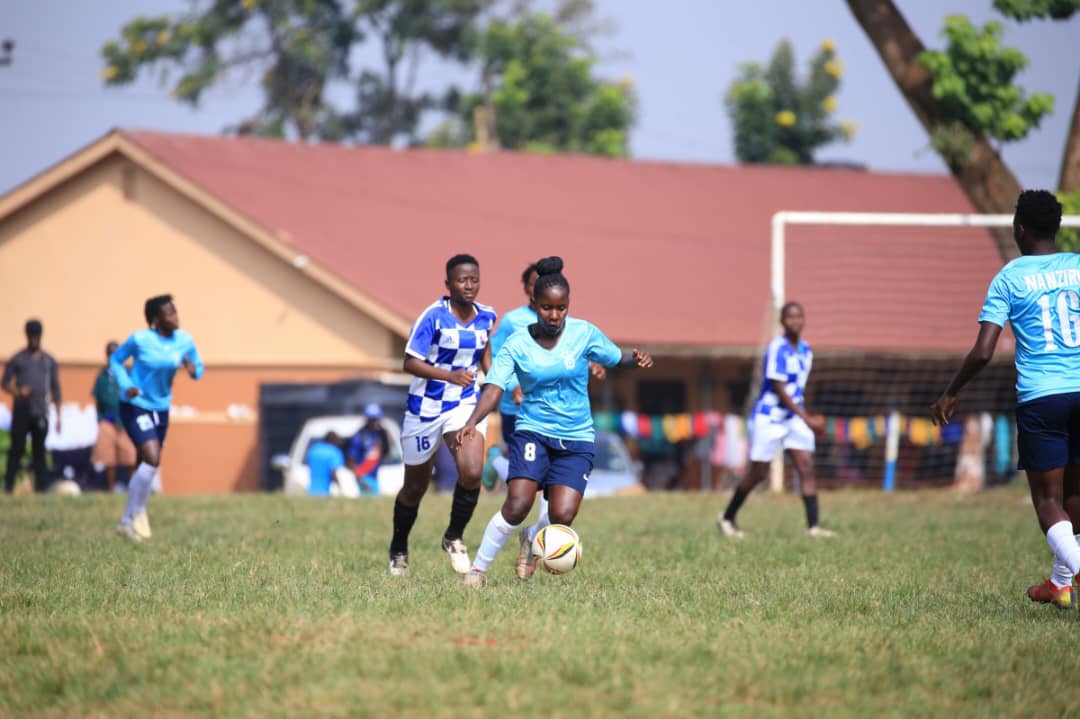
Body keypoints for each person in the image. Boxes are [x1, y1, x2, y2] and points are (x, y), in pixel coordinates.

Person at [456, 256, 653, 586]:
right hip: (533, 430)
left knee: (561, 518)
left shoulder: (584, 333)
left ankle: (532, 539)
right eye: (547, 307)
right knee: (518, 504)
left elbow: (616, 358)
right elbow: (493, 387)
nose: (554, 315)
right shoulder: (517, 343)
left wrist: (637, 360)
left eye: (561, 308)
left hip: (577, 437)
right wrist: (473, 421)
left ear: (568, 306)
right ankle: (477, 572)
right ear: (534, 304)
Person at [931, 190, 1080, 609]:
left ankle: (1075, 573)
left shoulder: (1010, 277)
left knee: (1048, 502)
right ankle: (1058, 584)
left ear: (1019, 228)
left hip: (1043, 397)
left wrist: (950, 392)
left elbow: (982, 351)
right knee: (1075, 498)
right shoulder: (1078, 266)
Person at [388, 254, 497, 576]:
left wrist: (495, 384)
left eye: (474, 279)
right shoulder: (433, 317)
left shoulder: (487, 316)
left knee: (473, 470)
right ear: (448, 284)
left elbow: (484, 357)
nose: (469, 285)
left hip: (464, 405)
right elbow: (409, 362)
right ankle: (398, 548)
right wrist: (449, 376)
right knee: (415, 488)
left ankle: (454, 536)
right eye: (462, 280)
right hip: (425, 409)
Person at [718, 302, 834, 539]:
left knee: (806, 466)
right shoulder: (777, 348)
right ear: (782, 322)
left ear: (804, 320)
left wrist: (804, 417)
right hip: (769, 417)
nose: (795, 321)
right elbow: (780, 388)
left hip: (794, 418)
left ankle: (813, 527)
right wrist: (808, 419)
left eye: (799, 316)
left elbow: (797, 389)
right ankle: (727, 518)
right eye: (790, 317)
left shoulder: (806, 351)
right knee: (758, 474)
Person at [111, 295, 204, 541]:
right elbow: (116, 360)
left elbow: (198, 365)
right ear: (156, 319)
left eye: (175, 311)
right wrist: (125, 383)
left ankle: (125, 522)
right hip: (135, 404)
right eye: (169, 313)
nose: (175, 317)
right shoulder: (140, 339)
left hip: (161, 409)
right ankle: (139, 513)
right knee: (153, 458)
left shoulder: (184, 341)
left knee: (145, 463)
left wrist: (195, 370)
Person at [2, 319, 61, 493]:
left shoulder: (49, 361)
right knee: (17, 449)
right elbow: (4, 383)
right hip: (22, 410)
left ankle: (41, 487)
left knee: (39, 451)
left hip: (40, 411)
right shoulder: (18, 359)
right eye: (31, 336)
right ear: (27, 336)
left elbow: (56, 389)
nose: (34, 339)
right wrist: (19, 392)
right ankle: (9, 485)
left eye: (36, 336)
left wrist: (58, 415)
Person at [91, 340, 137, 491]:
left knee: (130, 456)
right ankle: (110, 488)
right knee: (108, 458)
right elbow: (98, 398)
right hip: (108, 420)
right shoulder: (103, 375)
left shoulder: (128, 373)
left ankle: (132, 488)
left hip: (125, 420)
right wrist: (100, 418)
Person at [347, 403, 390, 495]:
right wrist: (359, 477)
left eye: (376, 419)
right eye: (372, 419)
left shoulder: (380, 434)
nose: (375, 422)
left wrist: (385, 438)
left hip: (375, 475)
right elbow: (351, 458)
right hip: (364, 476)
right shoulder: (359, 436)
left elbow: (386, 452)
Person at [308, 431, 346, 496]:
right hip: (325, 490)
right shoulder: (334, 451)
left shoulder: (314, 449)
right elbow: (333, 471)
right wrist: (339, 486)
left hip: (311, 490)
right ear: (333, 440)